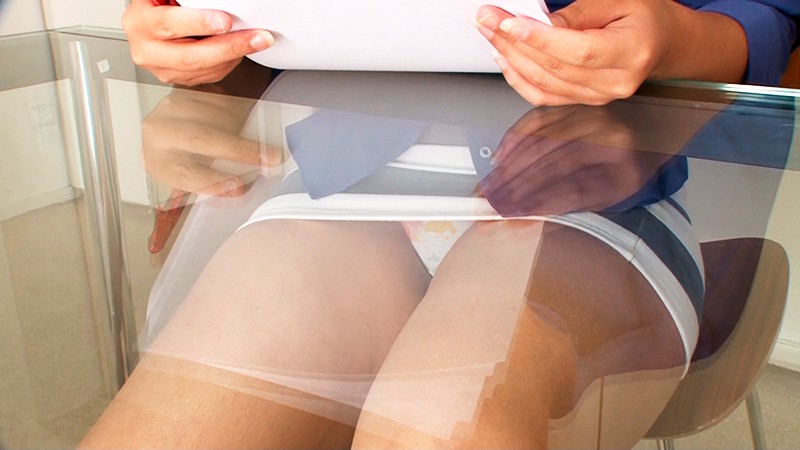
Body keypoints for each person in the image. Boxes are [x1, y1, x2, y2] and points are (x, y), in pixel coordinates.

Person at [78, 1, 798, 448]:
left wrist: (680, 35)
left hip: (596, 190)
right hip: (343, 181)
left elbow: (775, 17)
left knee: (446, 428)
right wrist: (184, 32)